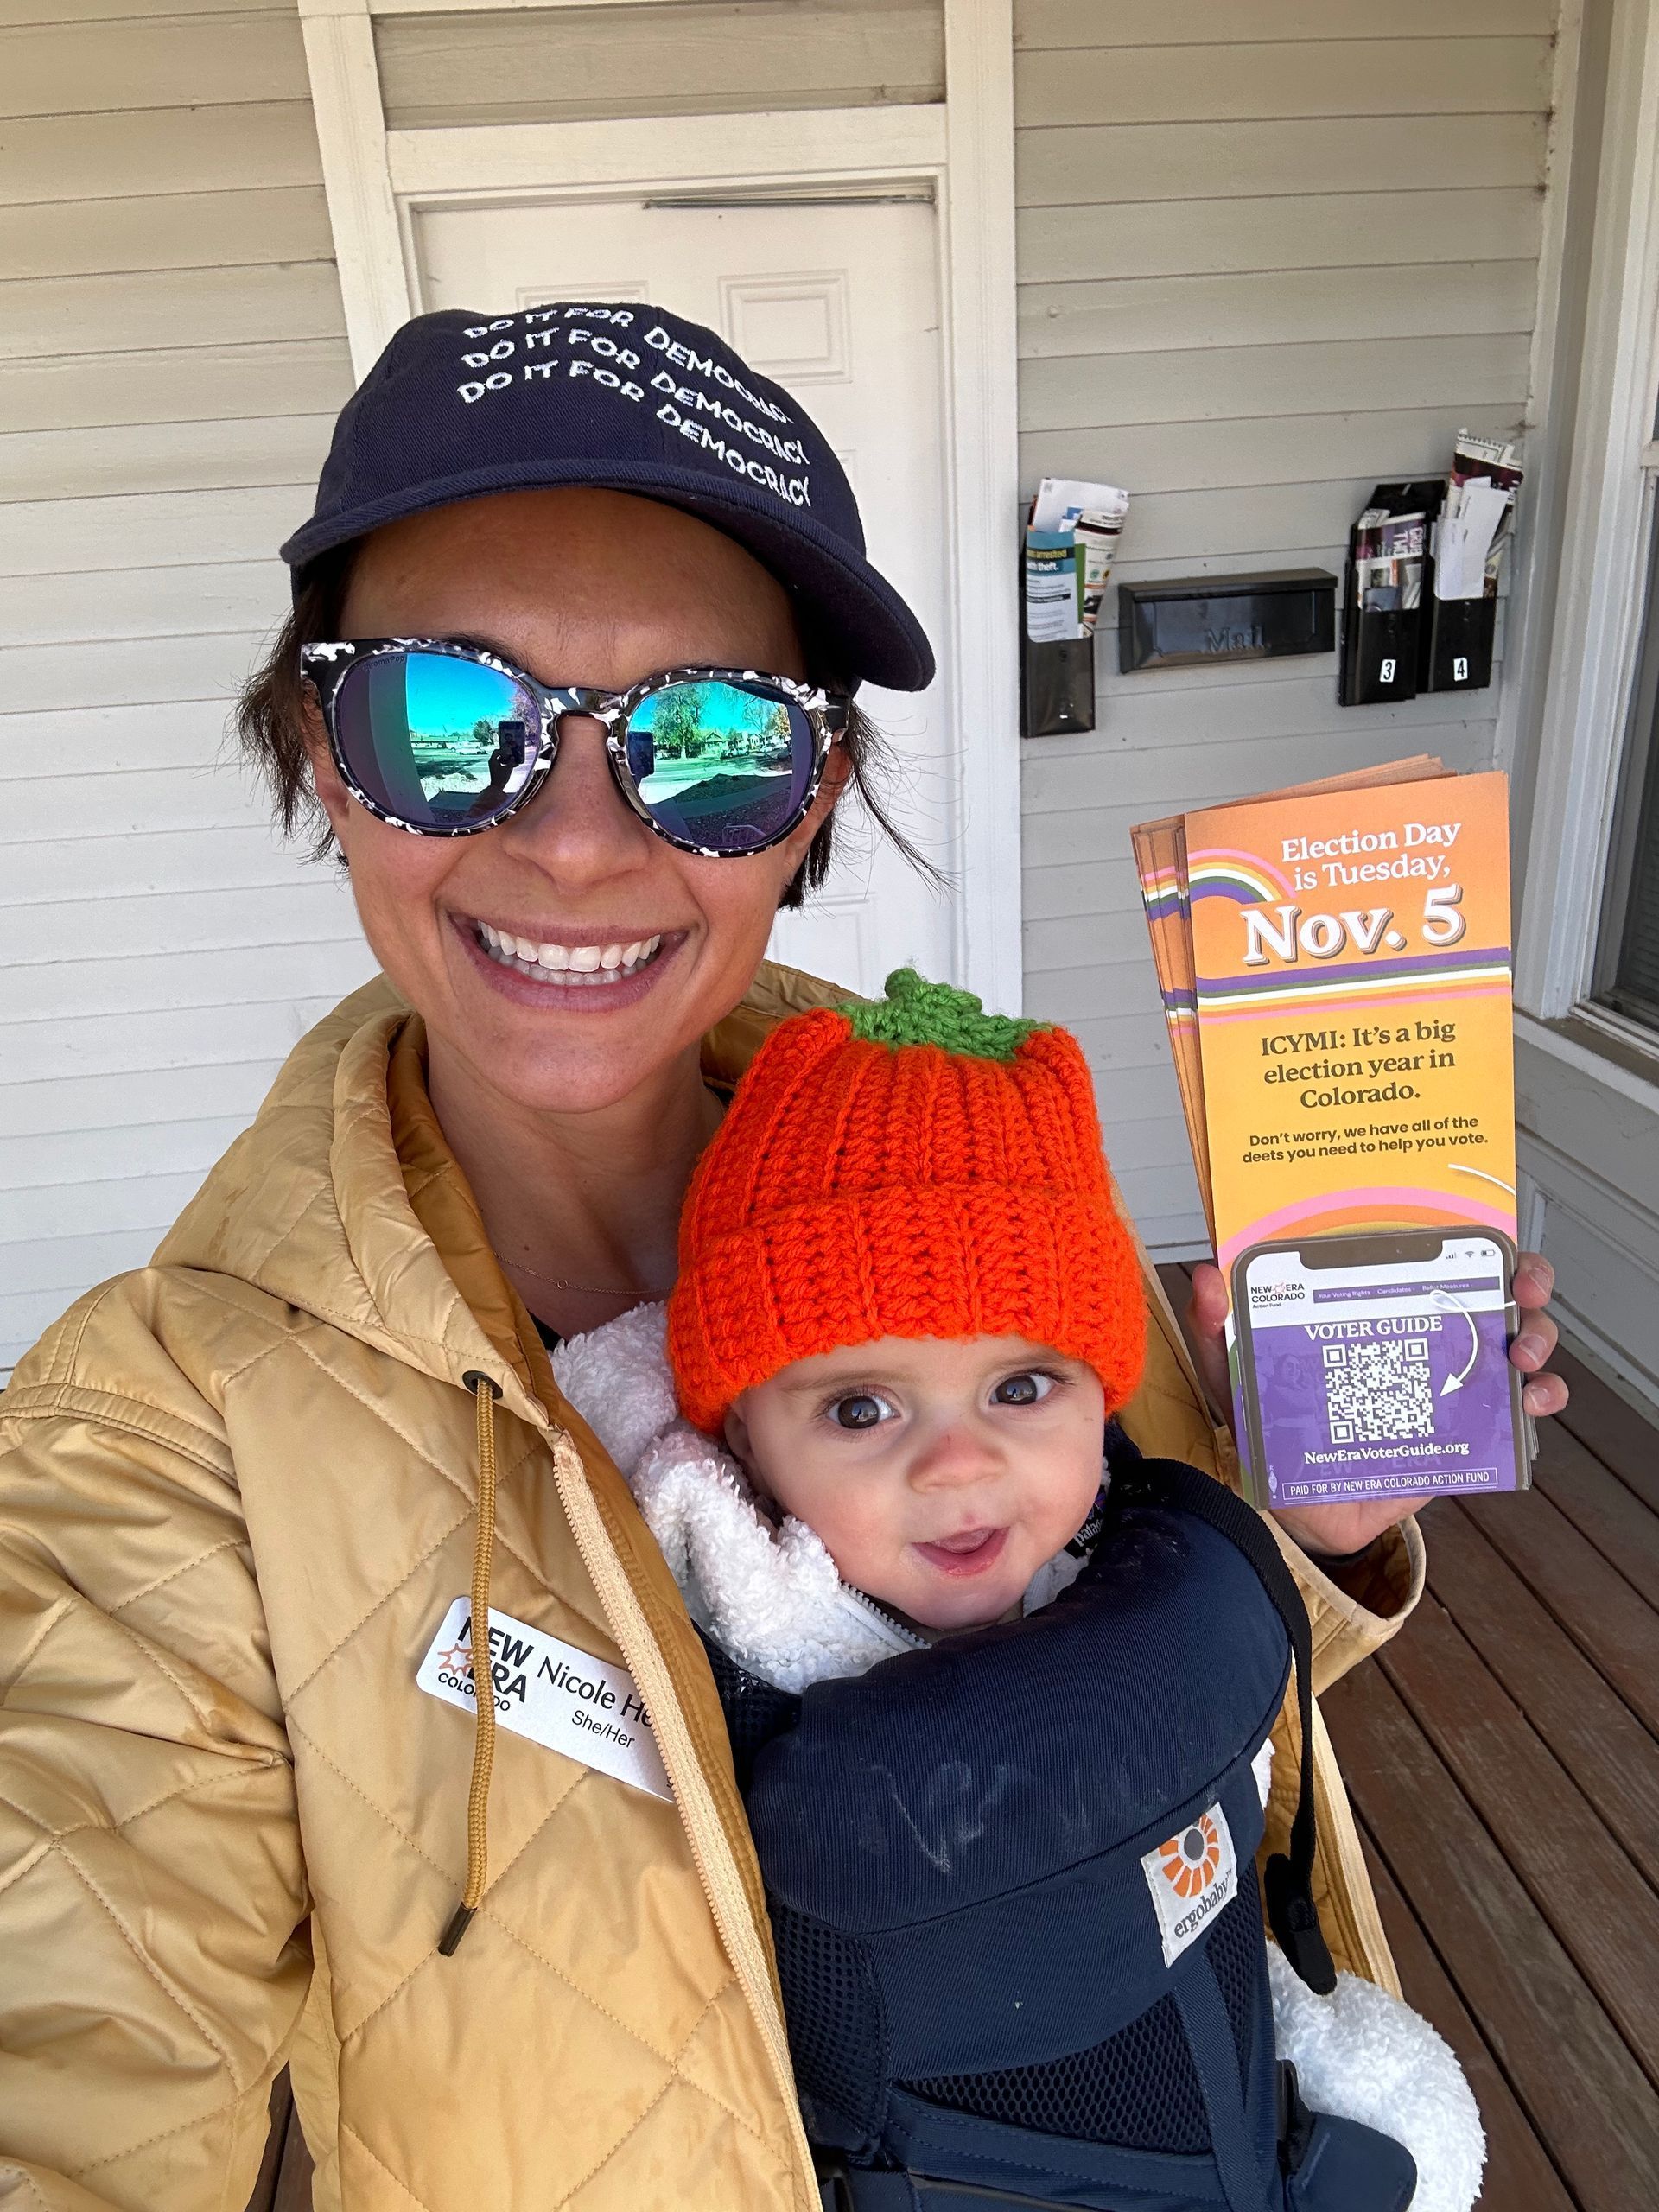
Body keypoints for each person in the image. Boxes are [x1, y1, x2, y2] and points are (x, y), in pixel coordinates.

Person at [0, 303, 1564, 2212]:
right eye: (441, 716)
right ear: (323, 756)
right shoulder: (160, 1443)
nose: (578, 840)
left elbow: (1136, 1700)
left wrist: (1299, 1527)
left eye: (714, 737)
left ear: (811, 796)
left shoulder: (981, 1160)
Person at [550, 969, 1484, 2212]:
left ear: (1102, 1395)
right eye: (861, 1408)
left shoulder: (1125, 1536)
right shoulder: (694, 1630)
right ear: (742, 1445)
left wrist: (1306, 1535)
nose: (961, 1466)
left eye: (1022, 1388)